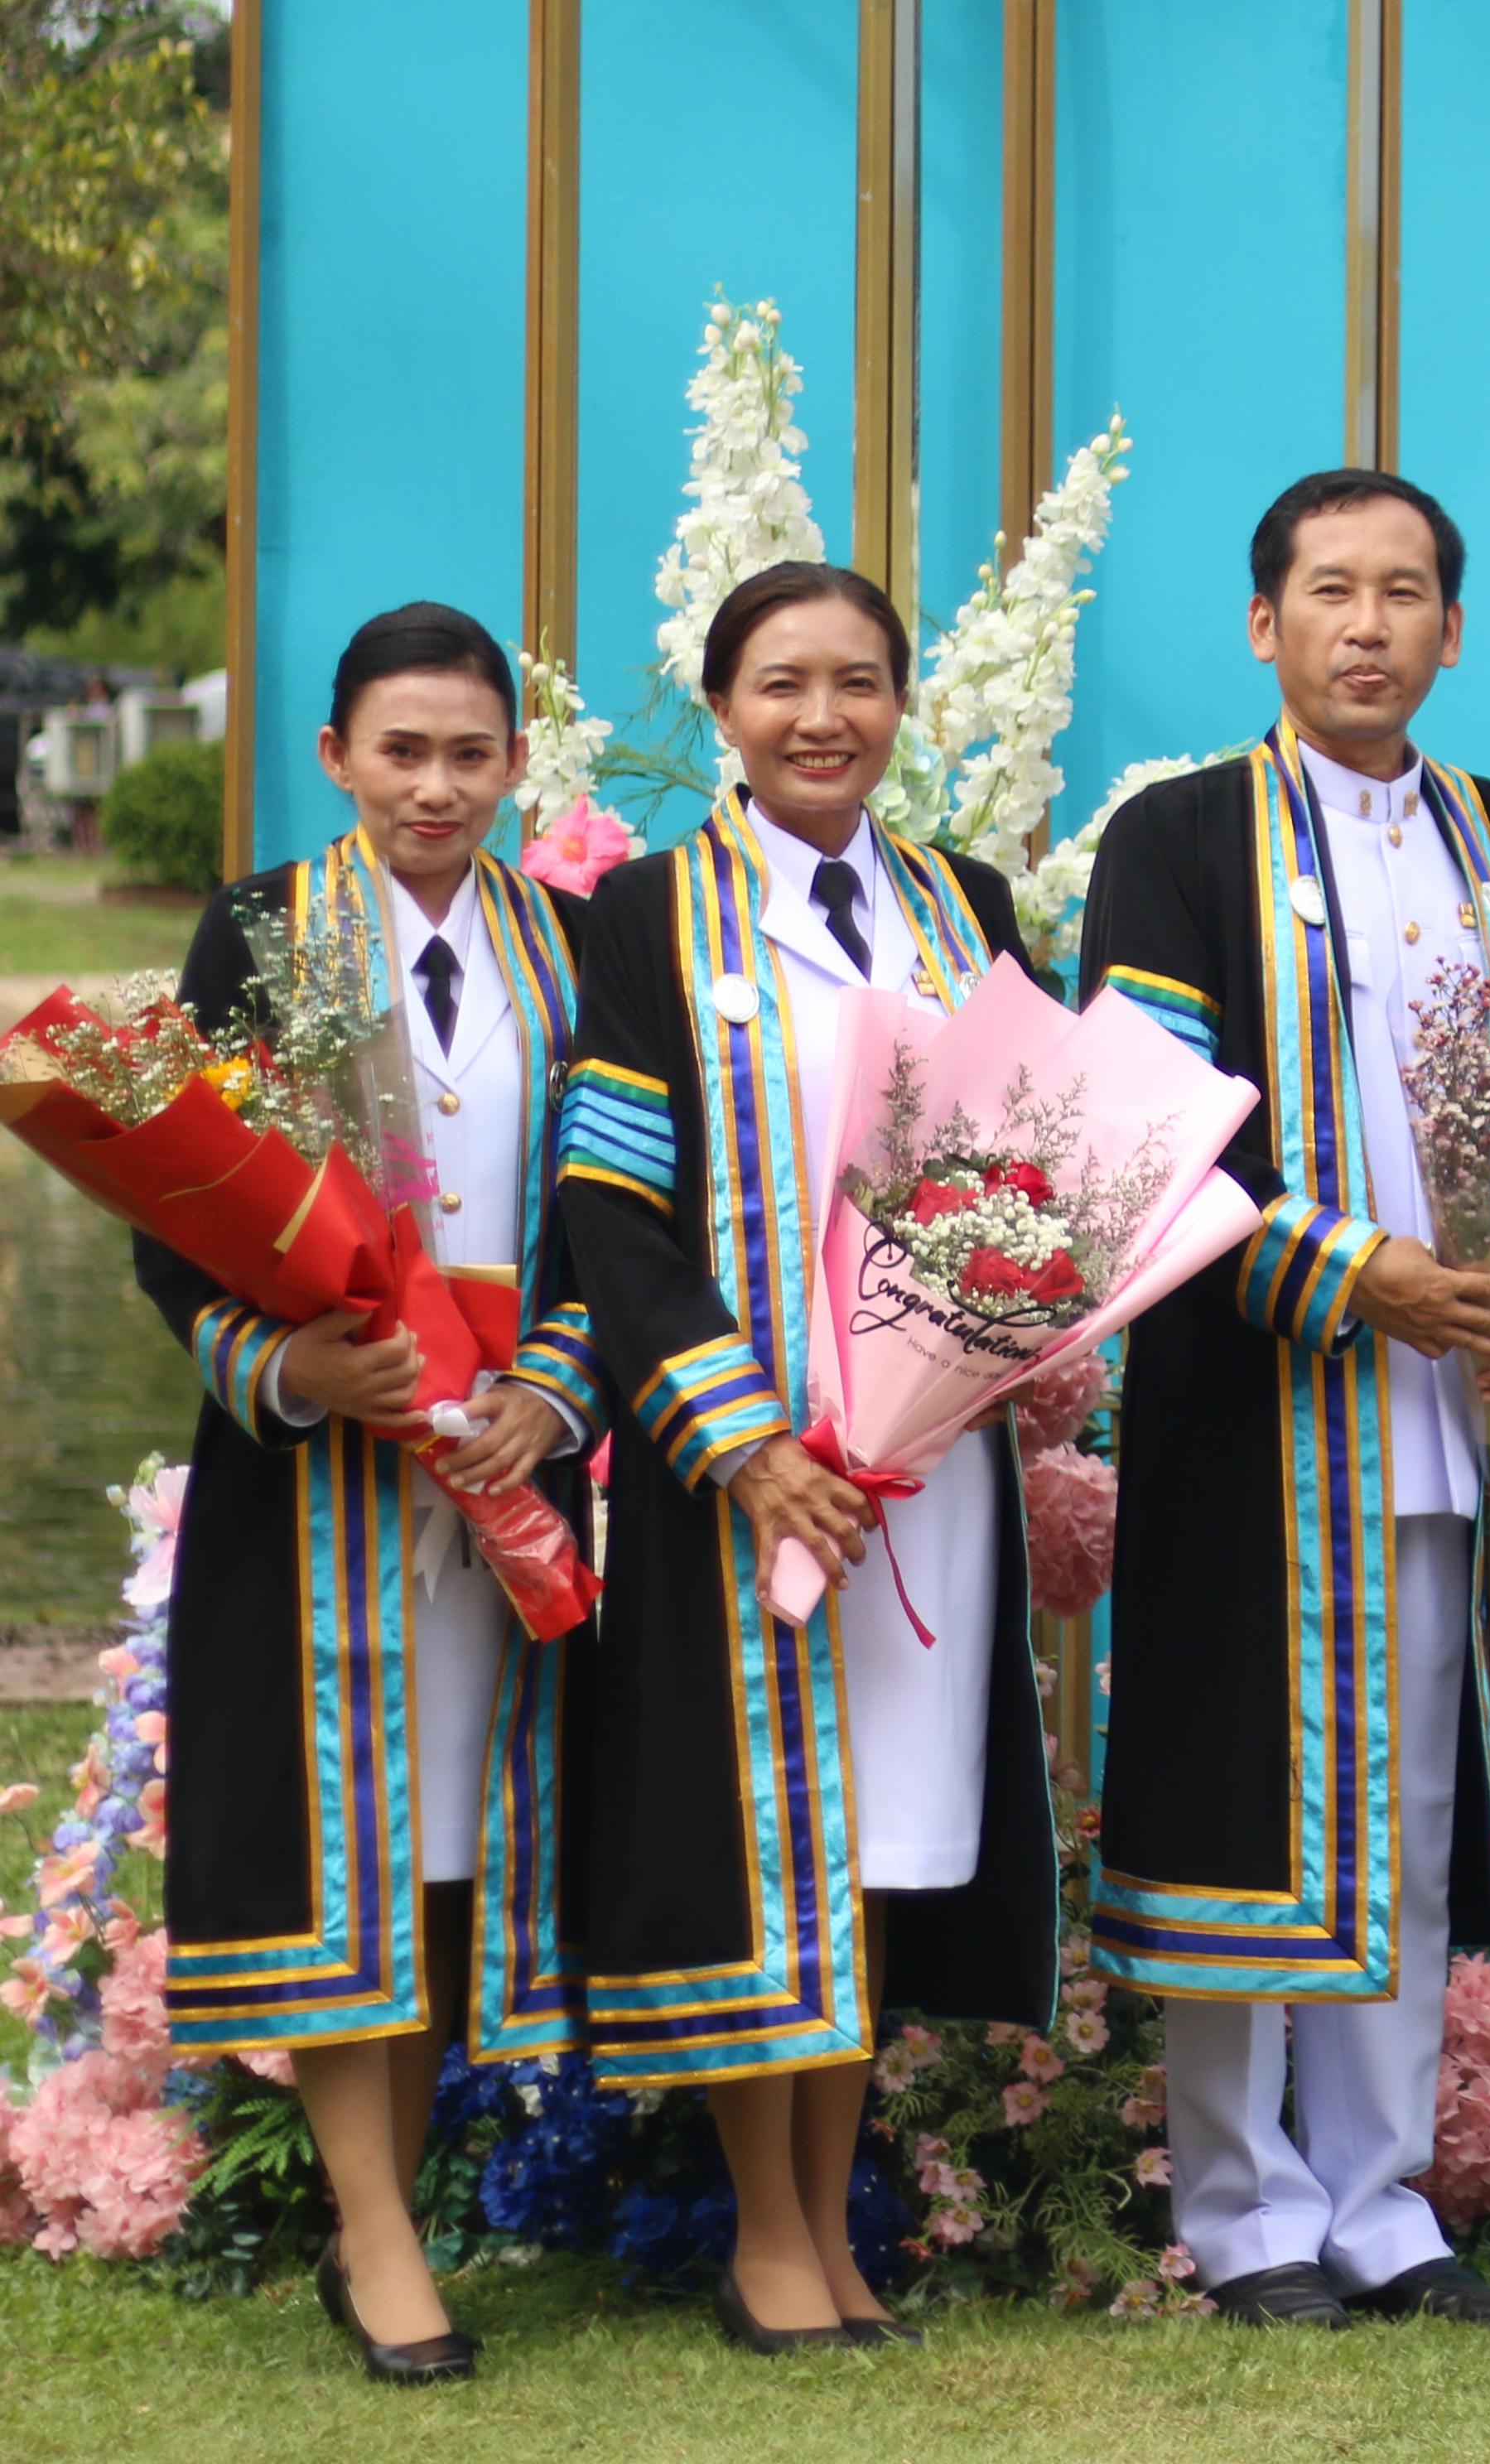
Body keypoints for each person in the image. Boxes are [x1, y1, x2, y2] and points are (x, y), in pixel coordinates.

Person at [1078, 470, 1490, 2331]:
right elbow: (1133, 1128)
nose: (1367, 626)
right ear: (1262, 624)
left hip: (1448, 1406)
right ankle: (1240, 2203)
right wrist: (1343, 1271)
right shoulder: (1182, 836)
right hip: (1257, 1398)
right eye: (1329, 592)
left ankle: (1383, 2201)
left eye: (1405, 594)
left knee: (1417, 1802)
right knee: (1246, 1791)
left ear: (1453, 628)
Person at [554, 562, 1056, 2351]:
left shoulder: (964, 902)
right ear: (722, 709)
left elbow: (1029, 1163)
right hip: (740, 1477)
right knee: (759, 1841)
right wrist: (741, 1438)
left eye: (856, 682)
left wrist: (1016, 1343)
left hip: (925, 1476)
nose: (821, 716)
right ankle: (769, 2232)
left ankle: (833, 2224)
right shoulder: (642, 919)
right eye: (781, 684)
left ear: (902, 704)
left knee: (880, 1848)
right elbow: (611, 1208)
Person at [137, 603, 602, 2384]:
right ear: (335, 757)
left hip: (512, 1470)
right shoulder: (259, 936)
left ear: (513, 765)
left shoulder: (569, 949)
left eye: (470, 753)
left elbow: (618, 1210)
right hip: (326, 1470)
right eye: (400, 751)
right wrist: (300, 1369)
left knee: (452, 1841)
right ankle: (379, 2230)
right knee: (349, 1846)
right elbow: (170, 1224)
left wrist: (554, 1397)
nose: (435, 784)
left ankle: (385, 2199)